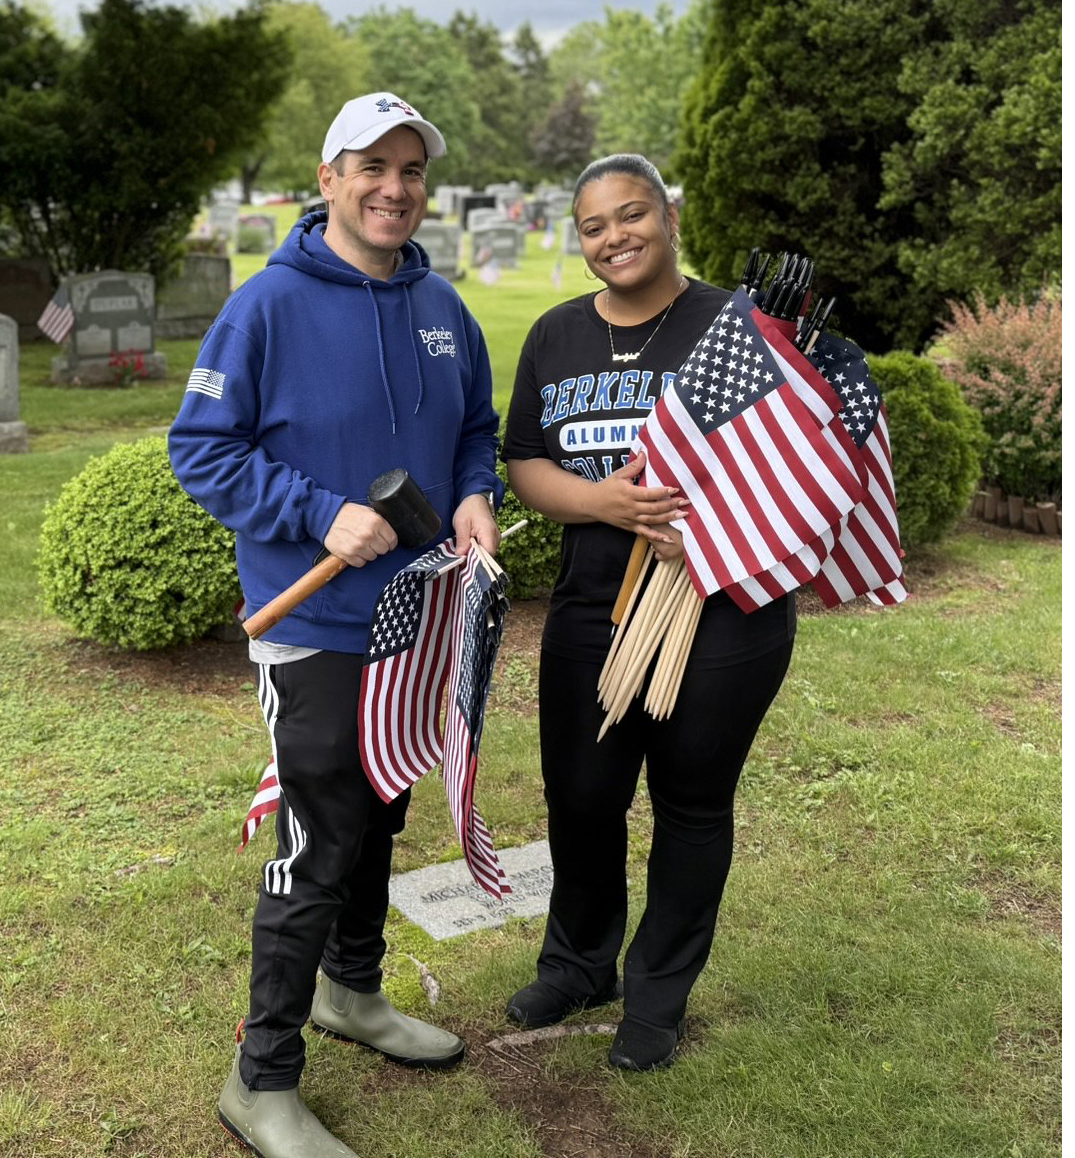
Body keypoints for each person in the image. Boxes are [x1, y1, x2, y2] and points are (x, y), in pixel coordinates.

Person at [170, 92, 503, 1157]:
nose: (394, 186)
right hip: (313, 626)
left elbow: (475, 433)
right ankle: (259, 1077)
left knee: (381, 812)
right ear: (329, 180)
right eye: (373, 166)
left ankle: (350, 991)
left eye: (411, 169)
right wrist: (322, 514)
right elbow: (201, 449)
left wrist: (472, 492)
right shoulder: (265, 306)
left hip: (417, 618)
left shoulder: (444, 306)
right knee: (316, 838)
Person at [498, 153, 797, 1072]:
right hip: (593, 604)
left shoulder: (739, 329)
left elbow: (800, 471)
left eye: (631, 215)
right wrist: (606, 506)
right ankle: (580, 962)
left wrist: (711, 529)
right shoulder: (554, 336)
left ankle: (657, 995)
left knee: (691, 803)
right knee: (582, 798)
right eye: (594, 225)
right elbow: (525, 461)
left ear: (667, 215)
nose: (614, 237)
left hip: (722, 609)